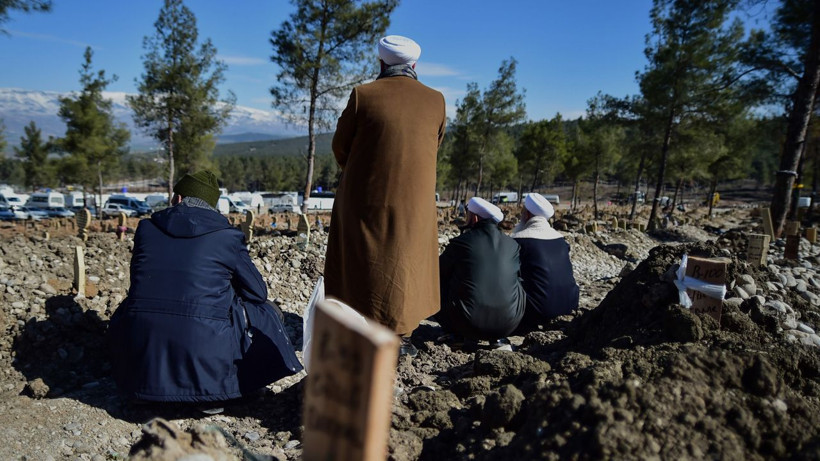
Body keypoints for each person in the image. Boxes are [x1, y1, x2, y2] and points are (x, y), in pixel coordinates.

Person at [108, 170, 302, 403]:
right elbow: (258, 293)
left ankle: (147, 381)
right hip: (207, 376)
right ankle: (231, 385)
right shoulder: (227, 237)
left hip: (139, 376)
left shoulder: (146, 230)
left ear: (178, 199)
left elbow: (140, 284)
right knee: (267, 310)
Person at [324, 35, 446, 357]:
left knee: (362, 262)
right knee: (404, 265)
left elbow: (340, 146)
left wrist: (361, 171)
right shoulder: (437, 100)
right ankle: (400, 335)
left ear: (381, 62)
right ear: (414, 65)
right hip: (416, 205)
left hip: (365, 200)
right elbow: (434, 145)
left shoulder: (364, 95)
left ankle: (361, 328)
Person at [438, 197, 526, 345]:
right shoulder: (512, 245)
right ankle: (497, 338)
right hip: (508, 324)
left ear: (475, 217)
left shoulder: (462, 243)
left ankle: (455, 333)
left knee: (441, 280)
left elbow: (439, 273)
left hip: (466, 324)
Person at [511, 193, 579, 331]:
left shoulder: (518, 241)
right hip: (569, 307)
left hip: (539, 311)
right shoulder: (561, 241)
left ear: (527, 214)